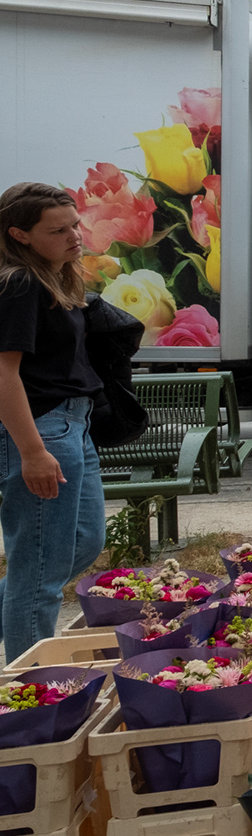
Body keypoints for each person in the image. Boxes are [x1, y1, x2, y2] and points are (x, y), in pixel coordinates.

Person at [0, 184, 108, 660]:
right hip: (43, 427)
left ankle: (16, 619)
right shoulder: (19, 282)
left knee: (80, 544)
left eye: (75, 225)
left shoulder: (52, 277)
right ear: (19, 234)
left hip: (72, 425)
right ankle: (32, 689)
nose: (74, 236)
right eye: (57, 230)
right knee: (41, 571)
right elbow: (3, 373)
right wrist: (31, 451)